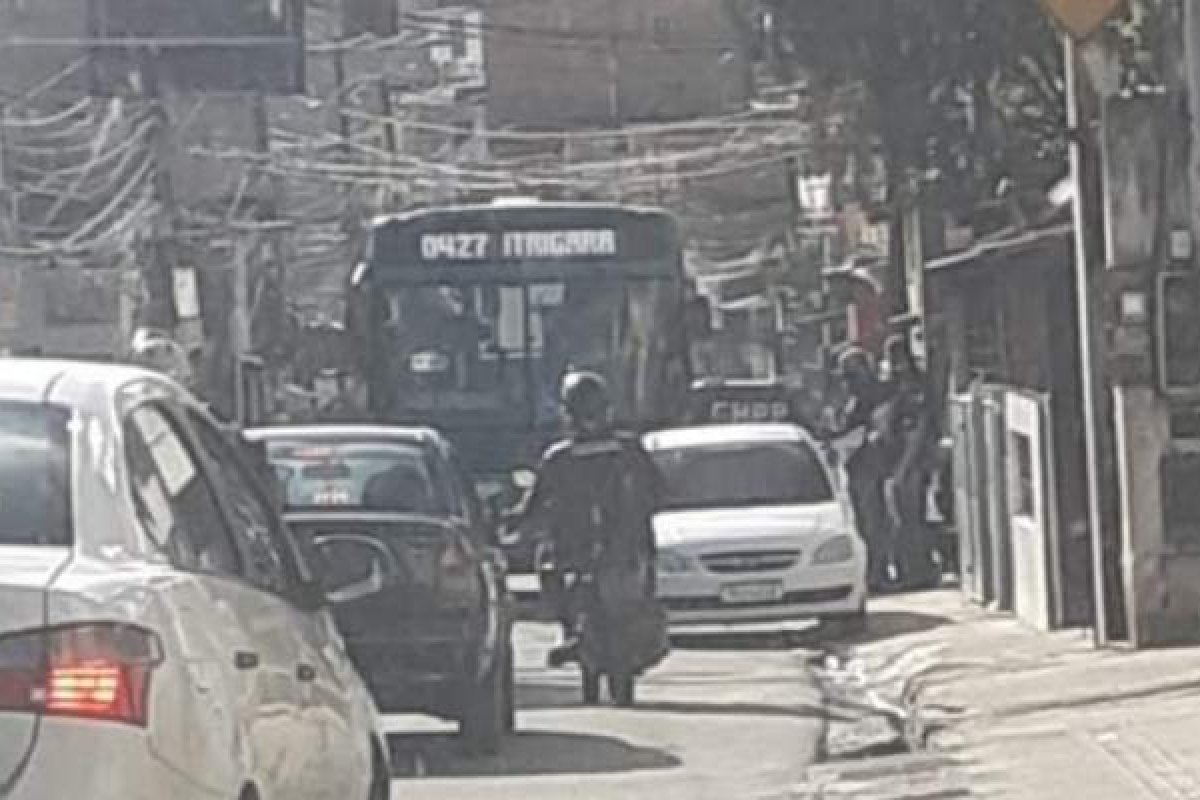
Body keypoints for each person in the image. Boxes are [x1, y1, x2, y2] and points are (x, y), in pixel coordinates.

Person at [509, 371, 663, 668]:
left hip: (618, 547)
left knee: (638, 591)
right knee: (550, 566)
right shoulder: (568, 456)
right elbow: (536, 503)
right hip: (583, 546)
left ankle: (612, 632)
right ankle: (572, 628)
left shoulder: (618, 451)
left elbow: (656, 490)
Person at [825, 346, 892, 588]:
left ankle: (878, 572)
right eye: (845, 377)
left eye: (851, 375)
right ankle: (874, 570)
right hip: (856, 465)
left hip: (874, 466)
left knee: (874, 521)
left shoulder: (876, 396)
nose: (848, 382)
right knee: (863, 521)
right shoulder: (852, 400)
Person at [878, 333, 940, 588]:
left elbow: (918, 430)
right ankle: (908, 570)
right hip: (896, 462)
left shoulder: (913, 386)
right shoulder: (893, 385)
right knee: (901, 520)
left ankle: (919, 571)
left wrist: (904, 468)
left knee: (911, 520)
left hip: (912, 463)